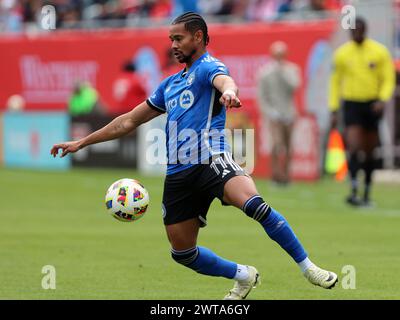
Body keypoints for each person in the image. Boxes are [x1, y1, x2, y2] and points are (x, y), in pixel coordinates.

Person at [51, 12, 337, 300]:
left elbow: (226, 81)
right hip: (178, 174)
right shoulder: (169, 85)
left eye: (178, 38)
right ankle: (243, 275)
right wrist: (82, 142)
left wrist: (229, 93)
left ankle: (308, 267)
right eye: (171, 39)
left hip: (211, 159)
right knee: (183, 253)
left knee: (254, 205)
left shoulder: (207, 68)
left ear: (197, 37)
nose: (173, 45)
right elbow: (127, 121)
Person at [329, 17, 395, 207]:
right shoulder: (342, 54)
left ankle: (366, 191)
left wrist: (382, 99)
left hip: (373, 104)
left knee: (369, 151)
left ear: (365, 31)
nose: (356, 34)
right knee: (354, 146)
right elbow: (335, 83)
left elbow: (388, 78)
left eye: (359, 30)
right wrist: (334, 108)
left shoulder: (379, 51)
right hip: (352, 104)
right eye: (353, 31)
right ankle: (354, 188)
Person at [257, 41, 301, 185]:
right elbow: (262, 96)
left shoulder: (292, 69)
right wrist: (270, 112)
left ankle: (286, 176)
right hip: (274, 114)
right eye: (277, 55)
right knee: (276, 145)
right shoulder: (264, 72)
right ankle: (275, 175)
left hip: (289, 113)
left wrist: (282, 72)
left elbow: (295, 86)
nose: (279, 57)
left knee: (289, 146)